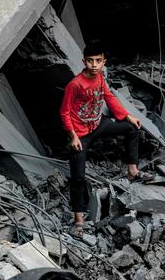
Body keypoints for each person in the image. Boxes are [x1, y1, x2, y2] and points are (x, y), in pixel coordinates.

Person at [59, 40, 154, 236]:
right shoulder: (75, 84)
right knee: (78, 177)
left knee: (132, 128)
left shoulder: (100, 77)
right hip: (81, 134)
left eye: (98, 61)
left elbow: (109, 96)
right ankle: (79, 219)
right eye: (90, 61)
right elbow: (64, 112)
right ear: (84, 61)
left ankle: (132, 171)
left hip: (98, 124)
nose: (94, 65)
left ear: (104, 62)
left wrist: (127, 115)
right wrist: (73, 136)